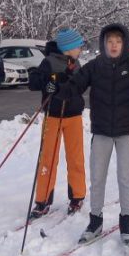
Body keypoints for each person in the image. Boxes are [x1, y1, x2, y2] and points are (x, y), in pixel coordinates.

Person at [53, 23, 129, 245]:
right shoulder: (95, 67)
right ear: (104, 44)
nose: (114, 45)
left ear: (124, 44)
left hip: (126, 132)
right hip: (102, 131)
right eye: (110, 42)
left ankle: (126, 222)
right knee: (97, 179)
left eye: (118, 41)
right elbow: (72, 88)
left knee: (125, 179)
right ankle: (95, 222)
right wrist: (55, 87)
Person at [26, 29, 87, 220]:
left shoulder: (77, 64)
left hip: (74, 115)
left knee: (75, 157)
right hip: (53, 115)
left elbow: (82, 86)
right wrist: (47, 83)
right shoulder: (49, 62)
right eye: (78, 46)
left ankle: (77, 196)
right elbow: (33, 82)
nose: (80, 49)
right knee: (48, 158)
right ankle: (42, 200)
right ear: (69, 48)